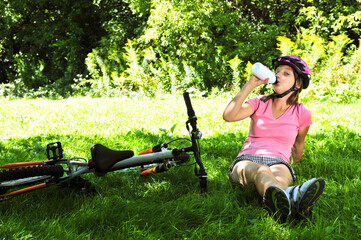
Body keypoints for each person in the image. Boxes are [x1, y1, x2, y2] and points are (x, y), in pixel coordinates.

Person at [223, 55, 325, 221]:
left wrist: (294, 159)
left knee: (278, 179)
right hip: (247, 160)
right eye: (277, 71)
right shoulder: (258, 103)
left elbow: (299, 145)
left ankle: (285, 204)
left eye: (286, 73)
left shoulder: (302, 113)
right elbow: (229, 115)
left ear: (298, 83)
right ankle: (295, 200)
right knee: (261, 171)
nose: (278, 75)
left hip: (279, 161)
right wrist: (251, 84)